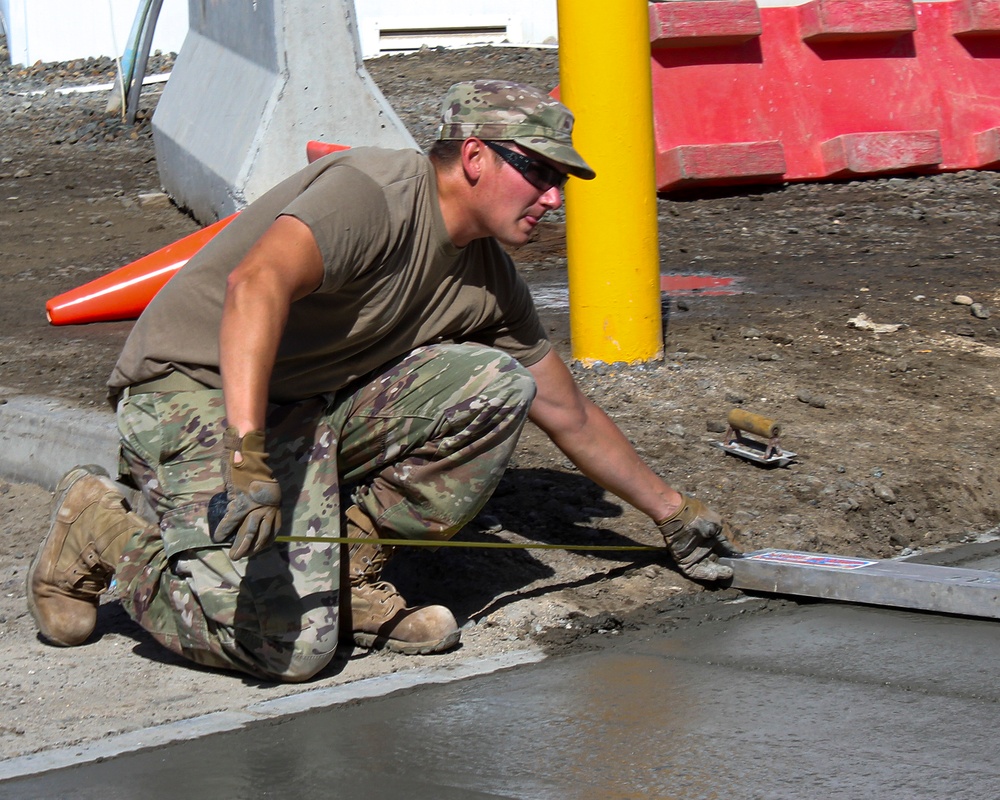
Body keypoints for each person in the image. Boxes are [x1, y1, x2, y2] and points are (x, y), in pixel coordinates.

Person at [27, 80, 740, 682]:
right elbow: (256, 285)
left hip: (304, 409)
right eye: (543, 174)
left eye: (561, 182)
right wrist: (245, 456)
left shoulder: (489, 280)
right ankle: (99, 527)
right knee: (287, 649)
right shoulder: (371, 193)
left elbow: (568, 411)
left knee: (496, 384)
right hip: (192, 390)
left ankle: (347, 570)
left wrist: (673, 514)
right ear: (474, 158)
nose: (554, 199)